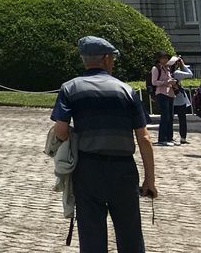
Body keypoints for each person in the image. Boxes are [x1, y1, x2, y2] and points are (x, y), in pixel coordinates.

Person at [52, 36, 157, 253]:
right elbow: (144, 137)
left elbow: (60, 131)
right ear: (107, 59)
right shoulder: (126, 90)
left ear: (84, 60)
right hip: (122, 169)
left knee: (91, 235)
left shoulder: (70, 88)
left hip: (88, 168)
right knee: (130, 234)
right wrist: (150, 178)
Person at [150, 52, 176, 145]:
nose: (165, 60)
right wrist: (165, 82)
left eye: (166, 58)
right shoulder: (156, 68)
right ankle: (162, 138)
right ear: (159, 59)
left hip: (170, 93)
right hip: (161, 93)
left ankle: (169, 137)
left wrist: (172, 82)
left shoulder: (167, 68)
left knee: (170, 116)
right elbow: (154, 82)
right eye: (163, 58)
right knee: (165, 116)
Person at [168, 56, 194, 145]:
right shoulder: (177, 73)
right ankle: (183, 138)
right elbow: (190, 74)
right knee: (182, 119)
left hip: (169, 98)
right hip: (179, 99)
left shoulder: (167, 72)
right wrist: (183, 65)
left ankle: (169, 137)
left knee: (169, 119)